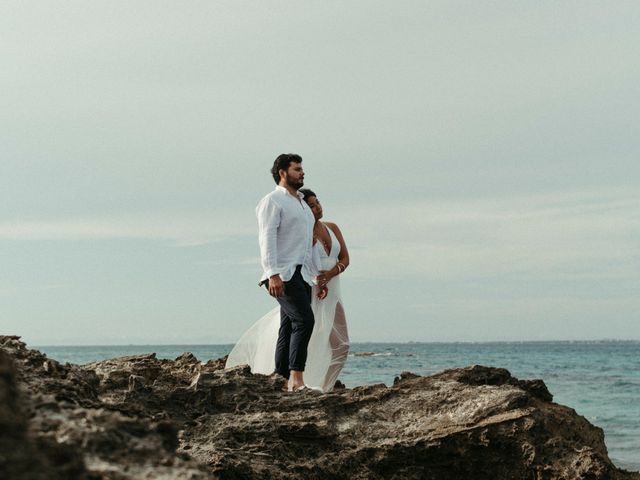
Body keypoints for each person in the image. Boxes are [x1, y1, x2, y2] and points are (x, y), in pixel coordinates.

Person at [226, 186, 350, 392]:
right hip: (308, 285)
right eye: (310, 206)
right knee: (301, 330)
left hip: (331, 288)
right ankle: (286, 378)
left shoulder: (332, 227)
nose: (317, 208)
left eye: (317, 202)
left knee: (341, 344)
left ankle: (325, 387)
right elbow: (297, 258)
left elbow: (345, 258)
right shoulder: (301, 233)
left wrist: (329, 275)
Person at [232, 153, 324, 392]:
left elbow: (306, 244)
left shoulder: (302, 203)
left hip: (302, 274)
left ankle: (280, 379)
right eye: (296, 169)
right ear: (282, 173)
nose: (302, 172)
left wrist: (315, 274)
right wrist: (272, 273)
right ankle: (297, 380)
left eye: (302, 169)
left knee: (288, 325)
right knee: (304, 321)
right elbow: (267, 238)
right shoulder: (272, 201)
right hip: (283, 273)